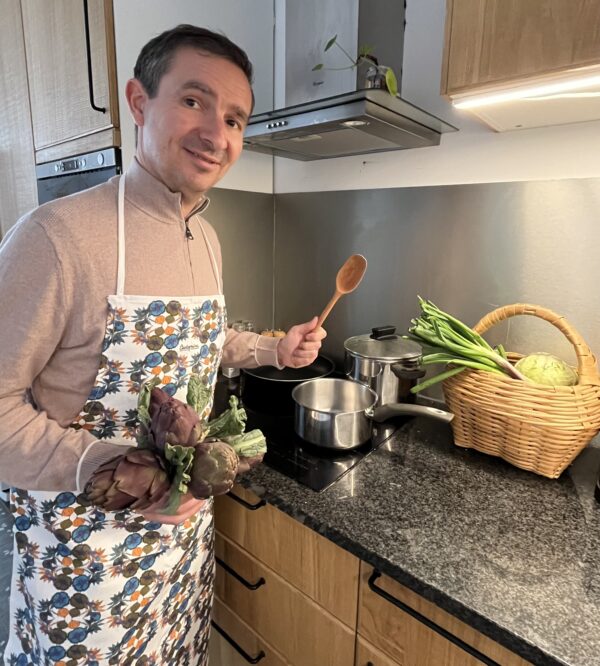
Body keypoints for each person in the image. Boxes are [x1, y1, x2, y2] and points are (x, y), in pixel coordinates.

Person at [0, 24, 325, 665]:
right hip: (83, 560)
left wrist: (270, 350)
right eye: (194, 101)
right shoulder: (56, 237)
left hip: (180, 546)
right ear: (139, 102)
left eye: (235, 119)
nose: (217, 134)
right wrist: (120, 472)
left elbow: (199, 339)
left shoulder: (206, 238)